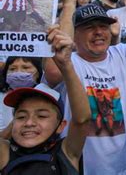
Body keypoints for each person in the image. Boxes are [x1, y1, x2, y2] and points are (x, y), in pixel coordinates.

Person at [44, 3, 126, 175]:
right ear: (74, 35)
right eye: (90, 27)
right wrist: (68, 2)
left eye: (103, 26)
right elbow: (52, 71)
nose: (98, 32)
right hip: (85, 168)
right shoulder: (66, 62)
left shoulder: (122, 53)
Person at [0, 26, 91, 174]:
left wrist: (66, 66)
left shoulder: (67, 153)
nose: (29, 123)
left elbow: (82, 119)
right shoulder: (4, 153)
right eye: (21, 116)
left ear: (61, 126)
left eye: (41, 116)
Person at [0, 57, 43, 133]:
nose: (18, 73)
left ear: (39, 72)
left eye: (26, 67)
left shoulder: (47, 95)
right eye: (12, 69)